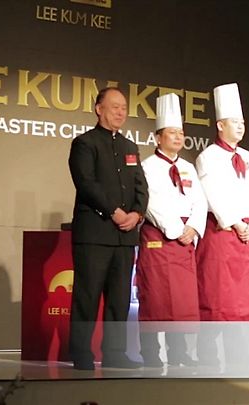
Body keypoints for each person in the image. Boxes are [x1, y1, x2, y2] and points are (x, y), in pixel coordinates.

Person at [68, 87, 148, 370]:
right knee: (87, 296)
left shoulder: (129, 147)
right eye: (114, 107)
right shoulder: (85, 143)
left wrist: (137, 213)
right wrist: (114, 212)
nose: (120, 112)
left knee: (119, 299)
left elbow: (141, 186)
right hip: (95, 233)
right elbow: (86, 183)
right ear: (99, 109)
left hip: (125, 236)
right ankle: (81, 353)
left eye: (124, 108)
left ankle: (115, 352)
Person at [136, 93, 207, 367]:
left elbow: (200, 201)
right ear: (158, 138)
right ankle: (151, 353)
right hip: (160, 237)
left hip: (185, 240)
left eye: (181, 133)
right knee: (155, 298)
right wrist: (177, 229)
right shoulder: (147, 167)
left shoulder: (188, 167)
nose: (178, 137)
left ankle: (178, 352)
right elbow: (151, 202)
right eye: (172, 132)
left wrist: (194, 227)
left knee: (182, 300)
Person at [195, 83, 249, 321]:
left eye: (242, 122)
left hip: (245, 237)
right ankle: (210, 344)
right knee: (217, 297)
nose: (240, 126)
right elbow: (213, 193)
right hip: (222, 234)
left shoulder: (246, 156)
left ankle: (238, 342)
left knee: (242, 300)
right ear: (220, 125)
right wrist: (236, 223)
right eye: (235, 122)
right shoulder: (208, 156)